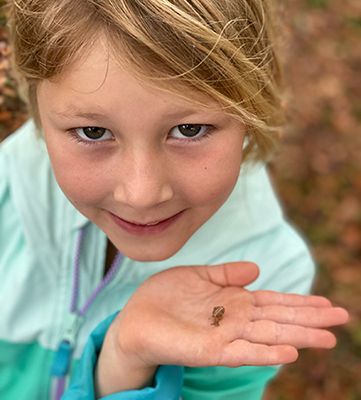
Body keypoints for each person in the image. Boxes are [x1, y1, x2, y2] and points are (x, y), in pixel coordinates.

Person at [0, 1, 349, 399]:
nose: (142, 194)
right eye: (94, 133)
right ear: (37, 107)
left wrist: (123, 361)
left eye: (189, 128)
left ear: (251, 108)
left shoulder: (266, 278)